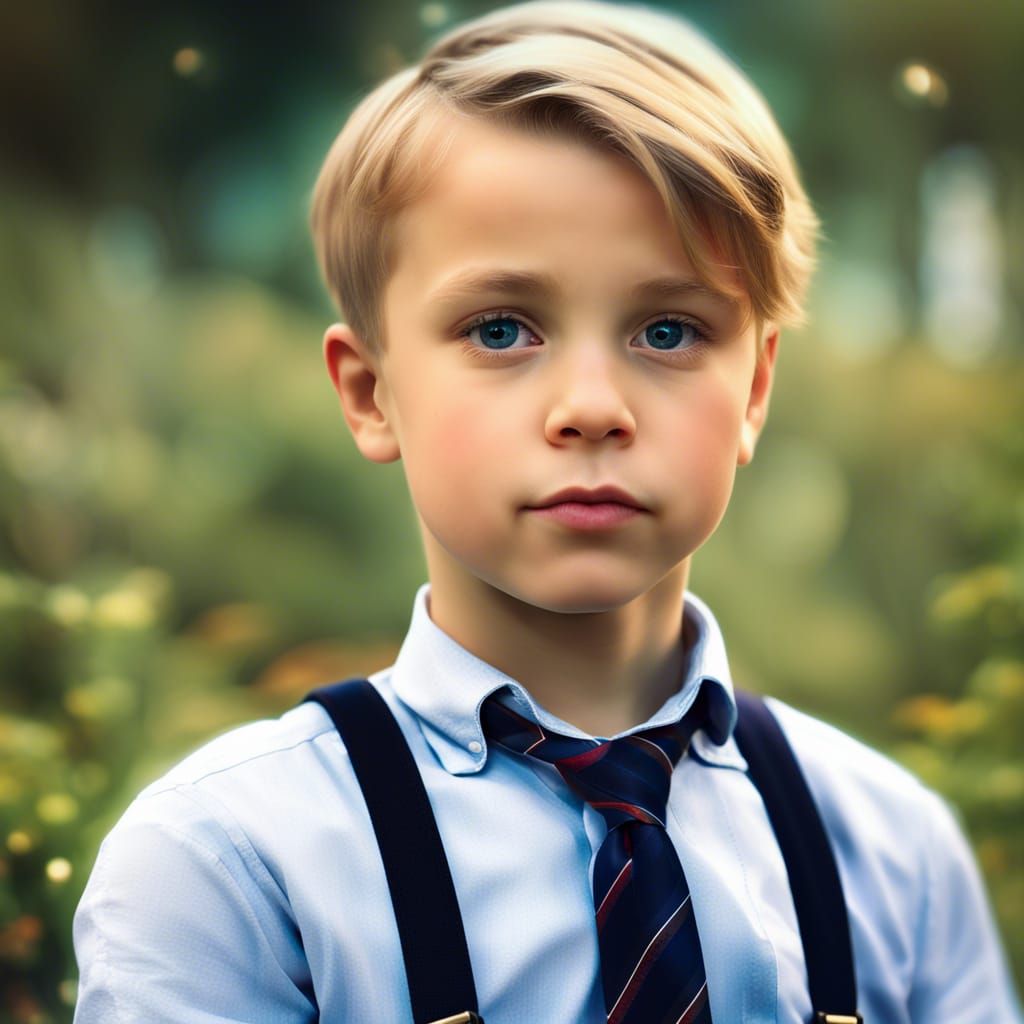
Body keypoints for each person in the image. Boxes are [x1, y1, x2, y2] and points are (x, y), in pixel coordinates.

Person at [72, 1, 1023, 1021]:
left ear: (753, 390)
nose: (591, 409)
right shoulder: (233, 866)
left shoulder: (893, 857)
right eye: (500, 329)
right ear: (368, 391)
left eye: (666, 329)